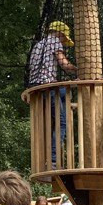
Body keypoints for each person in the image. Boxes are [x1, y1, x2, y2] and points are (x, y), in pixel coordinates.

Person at [28, 20, 77, 162]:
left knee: (64, 92)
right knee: (62, 122)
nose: (63, 41)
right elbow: (65, 65)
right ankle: (54, 159)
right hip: (47, 87)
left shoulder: (38, 44)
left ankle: (48, 155)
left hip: (37, 87)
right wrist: (81, 70)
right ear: (59, 33)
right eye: (64, 38)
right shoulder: (54, 41)